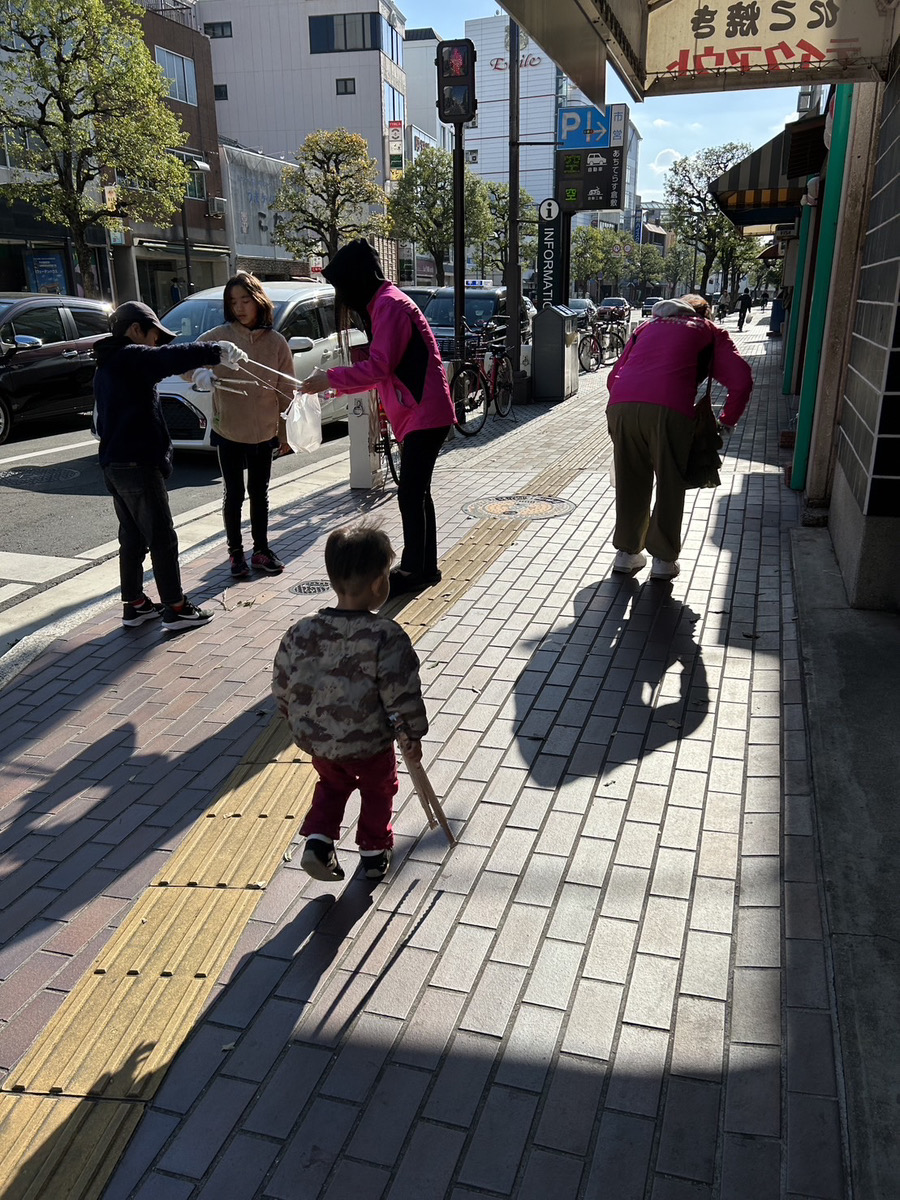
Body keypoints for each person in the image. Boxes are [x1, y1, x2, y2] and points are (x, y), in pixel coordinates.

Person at [299, 238, 456, 599]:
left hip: (423, 412)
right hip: (423, 411)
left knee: (411, 493)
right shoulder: (386, 302)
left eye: (342, 287)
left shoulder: (387, 305)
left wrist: (331, 379)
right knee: (417, 493)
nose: (343, 297)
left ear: (355, 279)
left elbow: (380, 366)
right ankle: (423, 566)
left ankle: (417, 569)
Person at [271, 523, 428, 882]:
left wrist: (298, 721)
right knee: (378, 788)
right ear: (378, 584)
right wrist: (412, 733)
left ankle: (319, 841)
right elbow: (400, 693)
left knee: (332, 785)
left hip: (321, 742)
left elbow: (282, 684)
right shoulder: (385, 635)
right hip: (369, 743)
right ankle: (374, 851)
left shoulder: (301, 630)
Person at [94, 301, 248, 631]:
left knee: (133, 536)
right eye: (153, 336)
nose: (155, 344)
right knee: (162, 538)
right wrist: (216, 350)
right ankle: (176, 608)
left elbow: (163, 358)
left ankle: (134, 604)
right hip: (138, 462)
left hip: (114, 463)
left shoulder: (108, 363)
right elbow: (169, 358)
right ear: (136, 330)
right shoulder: (131, 355)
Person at [606, 297, 753, 580]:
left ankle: (626, 554)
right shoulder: (709, 331)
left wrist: (625, 409)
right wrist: (727, 422)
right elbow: (742, 380)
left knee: (630, 480)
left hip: (621, 405)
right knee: (670, 481)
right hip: (670, 410)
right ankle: (662, 560)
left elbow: (614, 376)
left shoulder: (646, 327)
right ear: (704, 313)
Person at [190, 272, 294, 578]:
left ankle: (261, 550)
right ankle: (236, 555)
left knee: (259, 492)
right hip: (228, 428)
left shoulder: (276, 342)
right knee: (233, 493)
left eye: (245, 300)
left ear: (259, 301)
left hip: (264, 432)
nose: (239, 307)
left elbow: (286, 390)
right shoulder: (217, 337)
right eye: (233, 301)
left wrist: (285, 433)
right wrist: (199, 375)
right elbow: (184, 359)